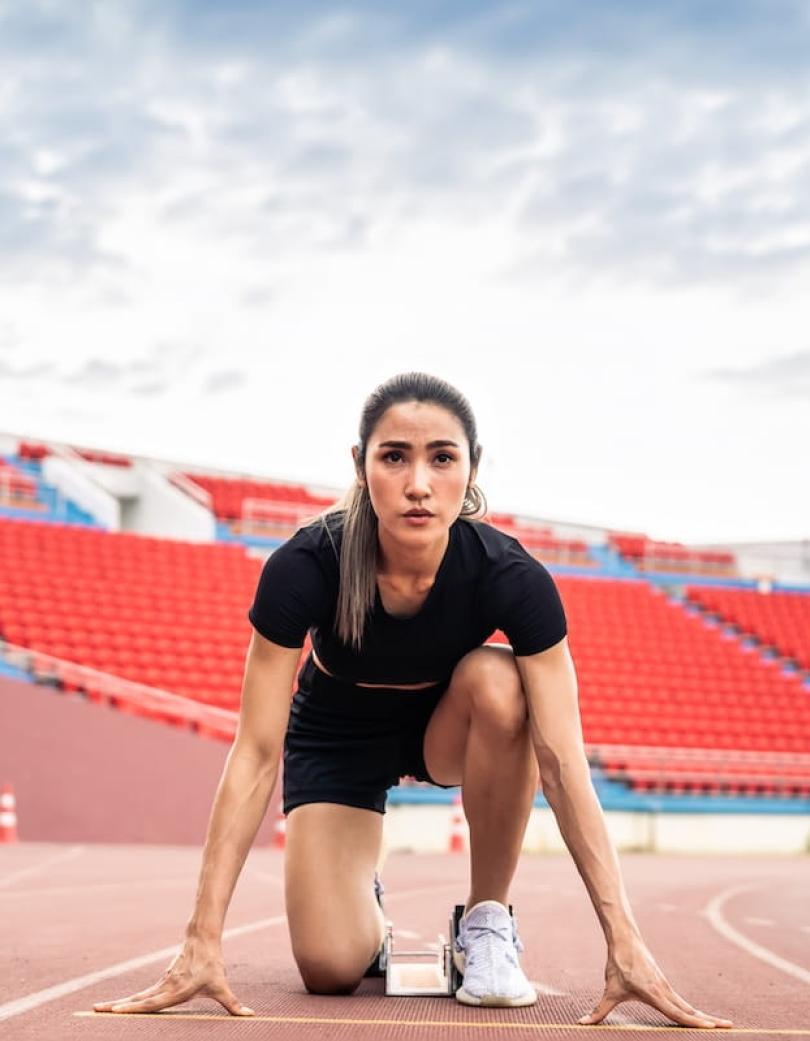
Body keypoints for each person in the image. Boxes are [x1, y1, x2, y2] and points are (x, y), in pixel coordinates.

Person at [94, 372, 732, 1027]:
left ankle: (485, 926)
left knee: (501, 679)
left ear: (473, 467)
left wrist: (623, 939)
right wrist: (202, 939)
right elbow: (255, 752)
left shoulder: (511, 576)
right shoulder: (306, 566)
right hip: (336, 735)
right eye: (394, 456)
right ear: (361, 464)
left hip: (445, 726)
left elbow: (563, 761)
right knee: (330, 970)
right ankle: (363, 901)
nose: (419, 483)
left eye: (442, 458)